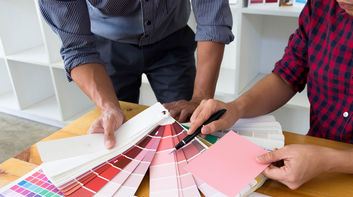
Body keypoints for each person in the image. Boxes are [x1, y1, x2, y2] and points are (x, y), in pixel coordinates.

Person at [188, 0, 353, 189]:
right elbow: (286, 77)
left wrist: (331, 160)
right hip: (314, 168)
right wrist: (236, 108)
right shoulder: (322, 7)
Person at [39, 0, 234, 148]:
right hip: (107, 44)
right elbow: (77, 48)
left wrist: (200, 98)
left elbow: (212, 20)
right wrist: (109, 107)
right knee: (118, 132)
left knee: (189, 123)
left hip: (172, 37)